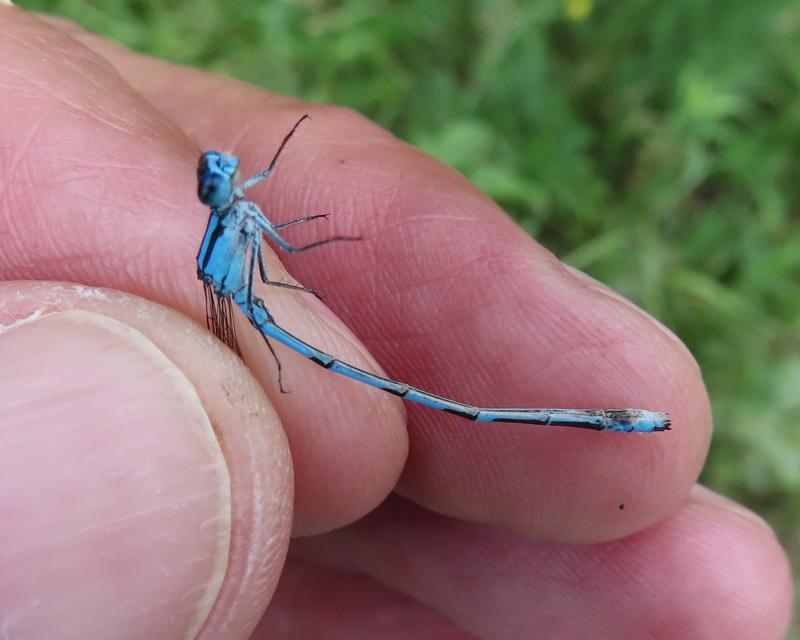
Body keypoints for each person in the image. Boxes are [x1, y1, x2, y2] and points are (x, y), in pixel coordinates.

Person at [0, 6, 791, 639]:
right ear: (220, 197)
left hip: (252, 304)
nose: (229, 177)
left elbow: (272, 255)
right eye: (222, 181)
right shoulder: (233, 235)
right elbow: (282, 256)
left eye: (225, 177)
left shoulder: (232, 222)